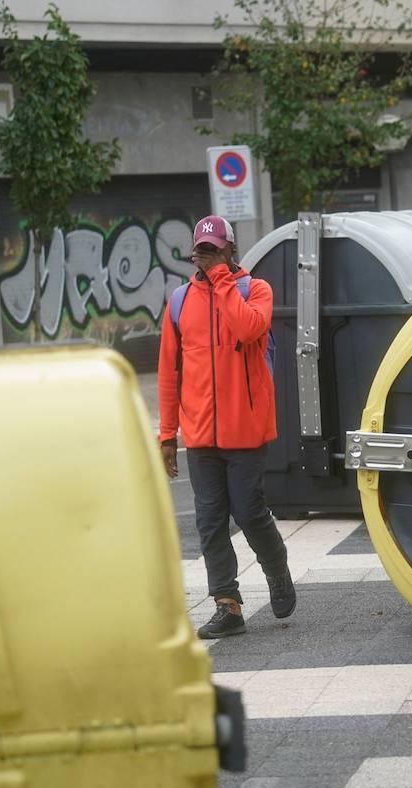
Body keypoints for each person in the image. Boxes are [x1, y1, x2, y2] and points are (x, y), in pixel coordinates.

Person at [158, 214, 296, 639]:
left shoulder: (255, 290)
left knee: (249, 512)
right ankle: (227, 604)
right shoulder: (180, 301)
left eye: (215, 249)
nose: (206, 257)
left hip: (246, 429)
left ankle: (276, 568)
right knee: (210, 519)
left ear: (230, 249)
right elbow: (169, 372)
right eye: (201, 251)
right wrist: (167, 434)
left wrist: (221, 280)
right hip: (200, 435)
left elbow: (249, 327)